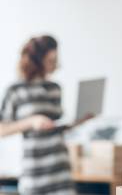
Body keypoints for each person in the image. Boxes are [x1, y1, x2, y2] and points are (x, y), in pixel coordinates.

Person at [0, 35, 75, 195]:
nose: (56, 65)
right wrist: (31, 122)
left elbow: (55, 126)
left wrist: (77, 123)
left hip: (61, 168)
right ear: (37, 60)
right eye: (51, 60)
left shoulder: (55, 88)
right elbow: (2, 129)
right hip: (35, 172)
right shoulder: (16, 90)